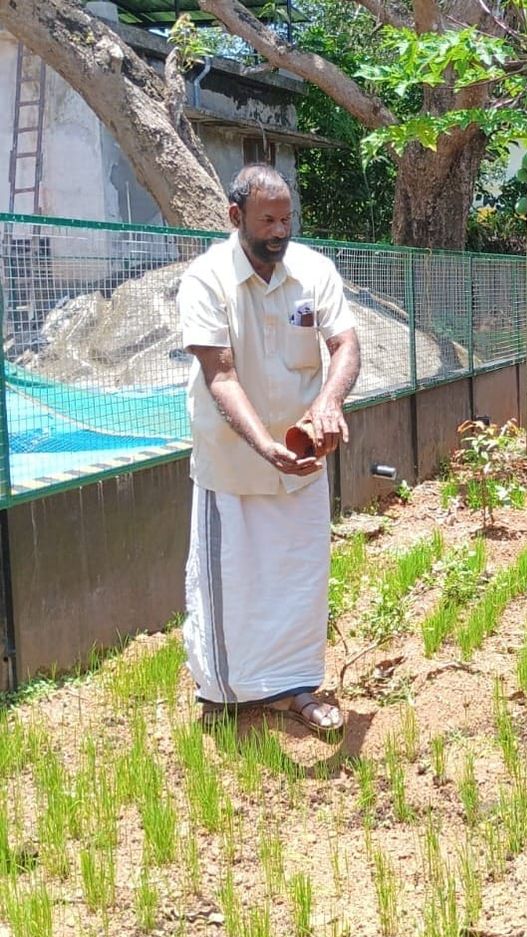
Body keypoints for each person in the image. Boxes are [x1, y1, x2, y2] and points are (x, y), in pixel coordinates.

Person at [178, 164, 360, 735]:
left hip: (303, 461)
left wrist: (328, 402)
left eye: (287, 219)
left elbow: (345, 345)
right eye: (267, 220)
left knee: (299, 577)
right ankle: (227, 694)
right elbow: (221, 373)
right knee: (229, 583)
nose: (281, 231)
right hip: (234, 462)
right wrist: (264, 445)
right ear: (236, 219)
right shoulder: (206, 279)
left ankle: (296, 684)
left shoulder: (313, 272)